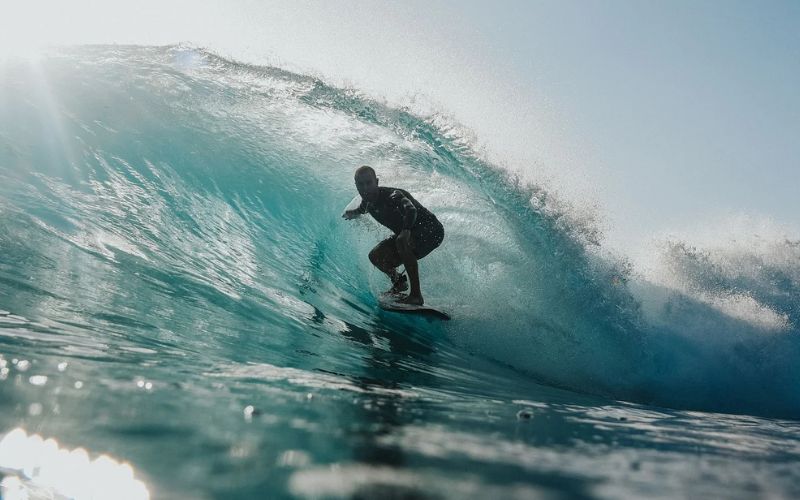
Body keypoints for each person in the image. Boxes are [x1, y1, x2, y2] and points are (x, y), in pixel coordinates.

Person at [342, 165, 444, 305]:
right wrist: (352, 213)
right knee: (375, 256)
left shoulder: (393, 195)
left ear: (376, 182)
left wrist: (406, 231)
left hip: (431, 231)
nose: (365, 188)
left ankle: (416, 296)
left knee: (401, 242)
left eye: (369, 183)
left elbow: (410, 209)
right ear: (356, 186)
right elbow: (361, 209)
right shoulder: (367, 203)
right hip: (410, 235)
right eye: (361, 184)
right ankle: (399, 283)